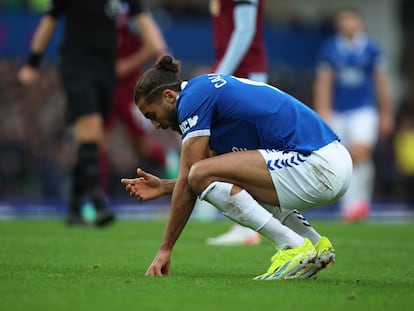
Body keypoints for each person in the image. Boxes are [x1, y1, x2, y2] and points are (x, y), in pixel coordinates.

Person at [121, 55, 352, 280]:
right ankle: (314, 245)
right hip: (330, 160)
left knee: (201, 172)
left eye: (152, 115)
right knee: (211, 175)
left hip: (318, 163)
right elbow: (202, 180)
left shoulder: (192, 99)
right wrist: (164, 186)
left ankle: (292, 246)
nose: (156, 125)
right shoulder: (207, 98)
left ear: (169, 96)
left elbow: (196, 173)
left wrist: (165, 249)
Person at [18, 0, 166, 226]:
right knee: (91, 125)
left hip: (107, 68)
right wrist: (33, 62)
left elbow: (143, 19)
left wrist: (161, 53)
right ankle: (97, 201)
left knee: (95, 138)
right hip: (76, 64)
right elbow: (49, 20)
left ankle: (75, 206)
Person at [313, 8, 394, 222]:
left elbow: (381, 81)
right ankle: (350, 208)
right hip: (338, 110)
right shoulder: (331, 48)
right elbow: (324, 81)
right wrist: (323, 110)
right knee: (343, 157)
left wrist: (386, 112)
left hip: (363, 109)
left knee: (361, 151)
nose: (348, 24)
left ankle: (359, 204)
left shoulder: (371, 49)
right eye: (344, 20)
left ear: (360, 23)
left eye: (352, 20)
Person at [203, 0, 268, 246]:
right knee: (229, 149)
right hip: (233, 74)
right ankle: (244, 224)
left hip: (244, 74)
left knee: (242, 151)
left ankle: (248, 226)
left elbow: (245, 30)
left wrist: (219, 75)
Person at [100, 2, 168, 193]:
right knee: (99, 142)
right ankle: (97, 198)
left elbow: (151, 46)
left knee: (143, 146)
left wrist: (124, 66)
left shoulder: (132, 9)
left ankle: (178, 171)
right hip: (104, 85)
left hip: (130, 88)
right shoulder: (98, 9)